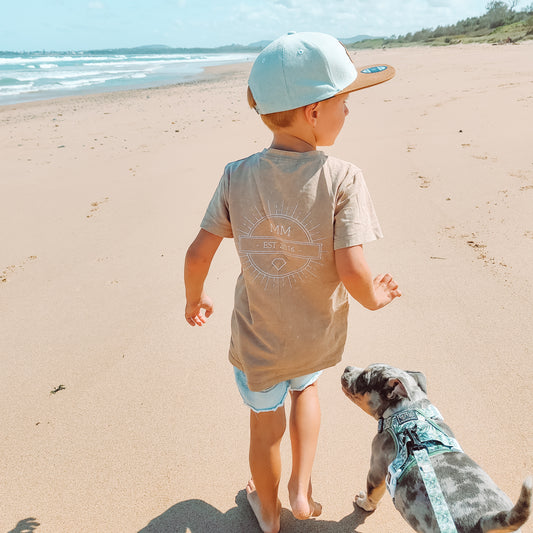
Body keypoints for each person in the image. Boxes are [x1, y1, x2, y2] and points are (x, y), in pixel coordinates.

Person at [184, 32, 401, 533]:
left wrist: (195, 298)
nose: (349, 111)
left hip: (259, 341)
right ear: (313, 111)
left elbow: (198, 253)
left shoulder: (236, 175)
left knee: (265, 429)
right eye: (344, 102)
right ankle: (301, 492)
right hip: (314, 334)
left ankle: (268, 512)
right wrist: (377, 297)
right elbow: (353, 269)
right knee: (307, 391)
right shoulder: (343, 177)